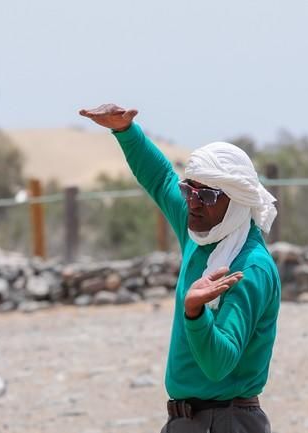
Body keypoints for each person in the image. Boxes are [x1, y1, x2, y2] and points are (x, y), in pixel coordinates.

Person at [79, 104, 281, 433]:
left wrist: (195, 314)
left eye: (208, 195)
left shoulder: (249, 266)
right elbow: (160, 179)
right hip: (190, 421)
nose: (194, 202)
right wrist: (126, 131)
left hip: (226, 421)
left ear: (239, 201)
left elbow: (219, 364)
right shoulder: (199, 233)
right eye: (189, 190)